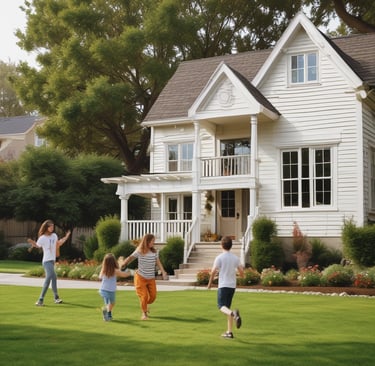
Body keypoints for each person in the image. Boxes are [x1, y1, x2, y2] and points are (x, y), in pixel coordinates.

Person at [119, 233, 168, 320]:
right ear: (147, 241)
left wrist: (163, 272)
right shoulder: (139, 250)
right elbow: (131, 258)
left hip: (151, 278)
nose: (154, 243)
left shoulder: (154, 251)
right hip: (140, 277)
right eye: (153, 241)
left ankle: (144, 305)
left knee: (153, 297)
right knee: (144, 296)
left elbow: (158, 262)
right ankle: (144, 314)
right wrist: (124, 263)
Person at [207, 236, 244, 339]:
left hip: (223, 285)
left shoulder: (220, 257)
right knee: (226, 308)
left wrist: (210, 284)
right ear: (231, 246)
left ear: (221, 245)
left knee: (221, 306)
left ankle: (234, 314)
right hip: (232, 286)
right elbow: (241, 271)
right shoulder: (235, 258)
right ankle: (229, 332)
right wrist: (241, 276)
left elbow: (213, 271)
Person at [28, 219, 71, 306]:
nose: (52, 228)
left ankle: (56, 298)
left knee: (54, 278)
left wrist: (66, 237)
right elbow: (38, 246)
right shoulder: (42, 238)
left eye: (53, 227)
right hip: (46, 261)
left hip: (52, 261)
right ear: (46, 228)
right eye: (50, 227)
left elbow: (58, 243)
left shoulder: (54, 235)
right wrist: (33, 244)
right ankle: (40, 300)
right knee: (49, 278)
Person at [99, 253, 134, 321]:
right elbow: (124, 275)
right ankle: (107, 314)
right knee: (112, 303)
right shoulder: (115, 271)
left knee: (108, 304)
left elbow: (100, 277)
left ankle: (107, 314)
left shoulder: (104, 269)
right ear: (113, 262)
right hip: (111, 290)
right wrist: (131, 272)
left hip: (103, 289)